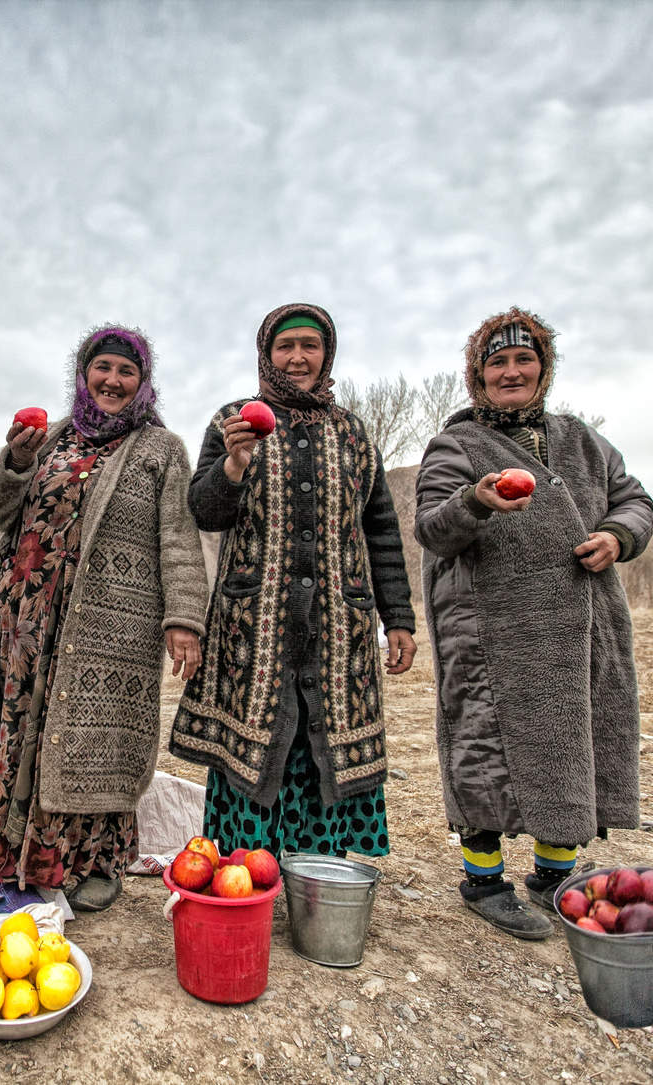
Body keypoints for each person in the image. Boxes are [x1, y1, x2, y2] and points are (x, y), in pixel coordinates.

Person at [415, 306, 653, 940]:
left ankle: (554, 875)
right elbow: (431, 528)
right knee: (485, 742)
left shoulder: (583, 442)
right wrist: (475, 500)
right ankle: (483, 879)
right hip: (490, 625)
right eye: (498, 362)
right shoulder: (457, 445)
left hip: (578, 623)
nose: (512, 371)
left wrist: (616, 536)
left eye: (526, 360)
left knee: (570, 741)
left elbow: (635, 500)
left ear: (544, 370)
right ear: (477, 376)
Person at [0, 324, 208, 912]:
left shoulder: (162, 449)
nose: (113, 380)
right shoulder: (47, 439)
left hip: (111, 622)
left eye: (127, 371)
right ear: (84, 374)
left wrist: (183, 617)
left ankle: (98, 863)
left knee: (99, 739)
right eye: (103, 367)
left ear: (142, 383)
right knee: (25, 732)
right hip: (27, 619)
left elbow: (179, 536)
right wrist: (15, 462)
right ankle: (18, 859)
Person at [170, 303, 416, 860]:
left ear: (327, 353)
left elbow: (379, 530)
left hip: (338, 624)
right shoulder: (232, 420)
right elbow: (204, 512)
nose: (298, 357)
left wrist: (396, 616)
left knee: (323, 736)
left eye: (310, 345)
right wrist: (233, 466)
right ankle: (244, 867)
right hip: (252, 626)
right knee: (258, 739)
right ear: (266, 353)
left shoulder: (353, 433)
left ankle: (318, 874)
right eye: (286, 346)